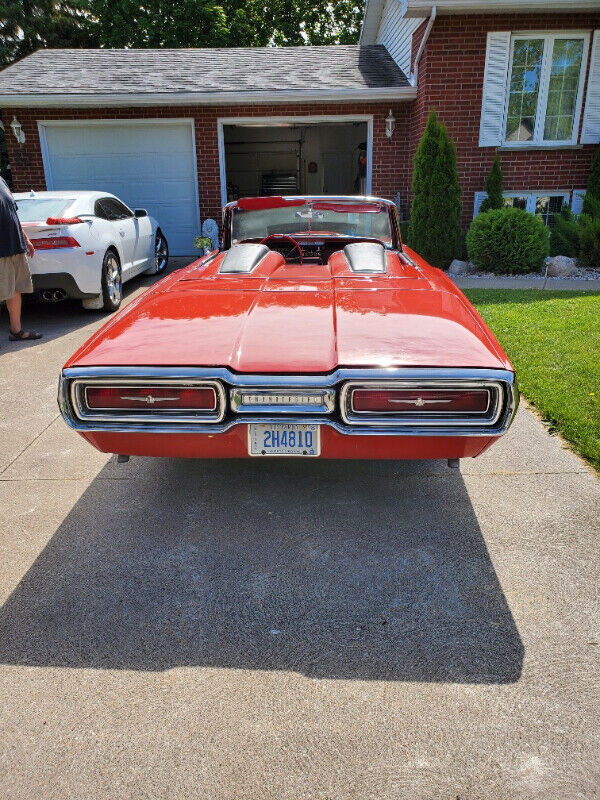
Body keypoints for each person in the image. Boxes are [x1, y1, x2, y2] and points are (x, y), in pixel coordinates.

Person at [0, 176, 41, 341]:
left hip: (15, 245)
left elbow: (13, 214)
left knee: (15, 290)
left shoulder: (1, 181)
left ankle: (16, 331)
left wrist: (26, 239)